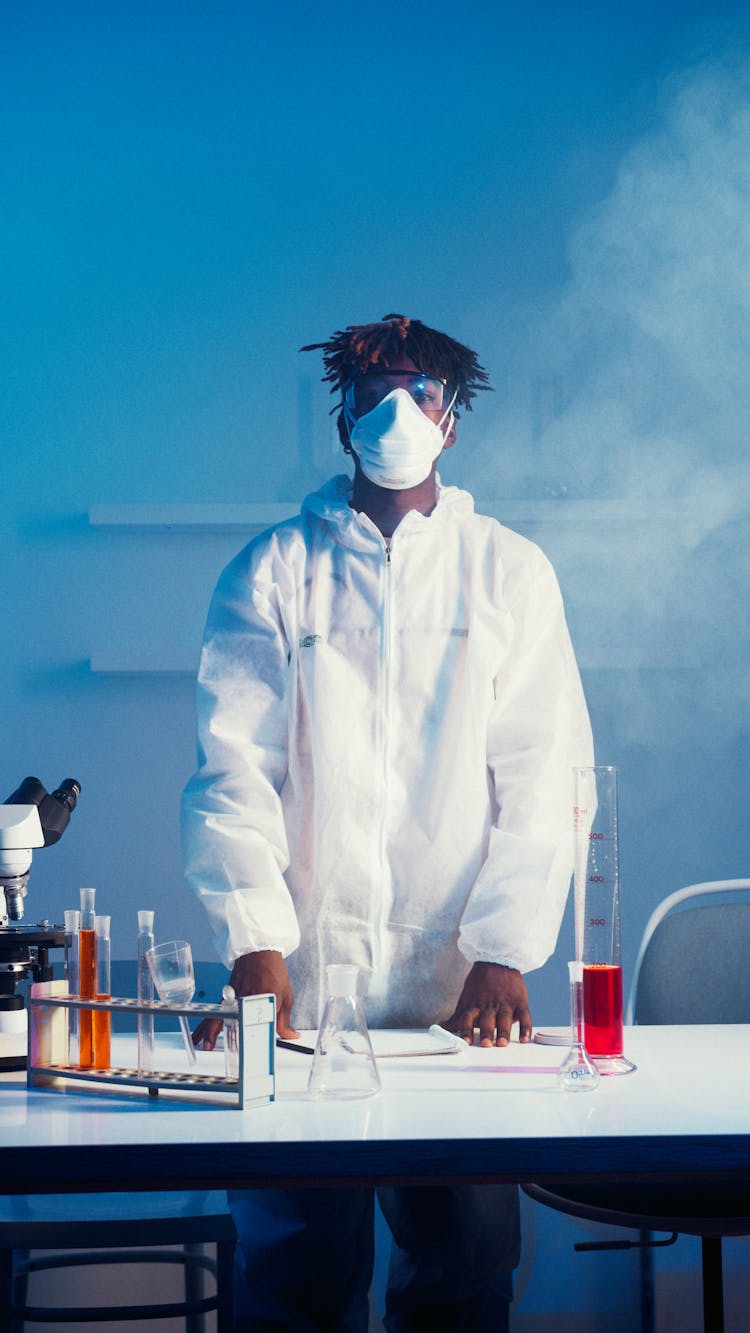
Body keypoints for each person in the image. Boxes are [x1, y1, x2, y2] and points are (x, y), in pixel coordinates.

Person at [181, 313, 593, 1331]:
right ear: (342, 419)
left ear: (454, 423)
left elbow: (544, 771)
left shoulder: (508, 571)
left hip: (458, 1000)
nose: (397, 412)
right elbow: (236, 770)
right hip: (300, 992)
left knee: (460, 1277)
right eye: (374, 392)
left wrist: (503, 952)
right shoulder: (273, 571)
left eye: (421, 392)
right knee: (293, 1284)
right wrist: (257, 951)